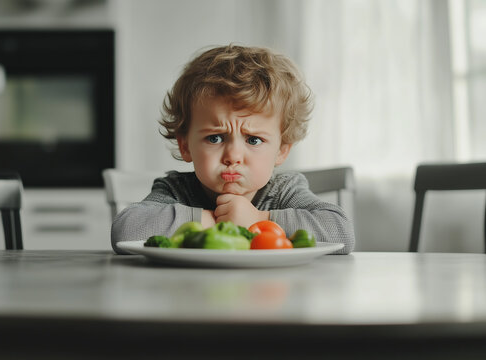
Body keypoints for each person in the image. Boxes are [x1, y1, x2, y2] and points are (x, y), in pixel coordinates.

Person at [112, 44, 355, 254]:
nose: (233, 157)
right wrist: (210, 219)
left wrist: (259, 220)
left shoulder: (283, 192)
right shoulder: (176, 190)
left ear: (281, 150)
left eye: (253, 140)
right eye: (216, 138)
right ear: (185, 145)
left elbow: (342, 234)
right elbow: (125, 230)